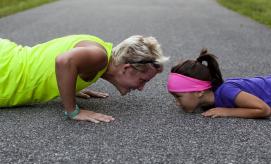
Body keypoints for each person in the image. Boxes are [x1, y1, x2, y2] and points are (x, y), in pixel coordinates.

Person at [0, 34, 168, 123]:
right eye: (143, 80)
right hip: (6, 73)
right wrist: (72, 110)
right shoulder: (99, 56)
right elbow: (64, 61)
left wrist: (69, 86)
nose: (141, 88)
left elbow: (59, 62)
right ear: (127, 68)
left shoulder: (99, 52)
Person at [167, 48, 271, 119]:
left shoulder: (226, 91)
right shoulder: (210, 100)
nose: (177, 103)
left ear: (199, 91)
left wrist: (227, 111)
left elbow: (264, 110)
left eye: (178, 96)